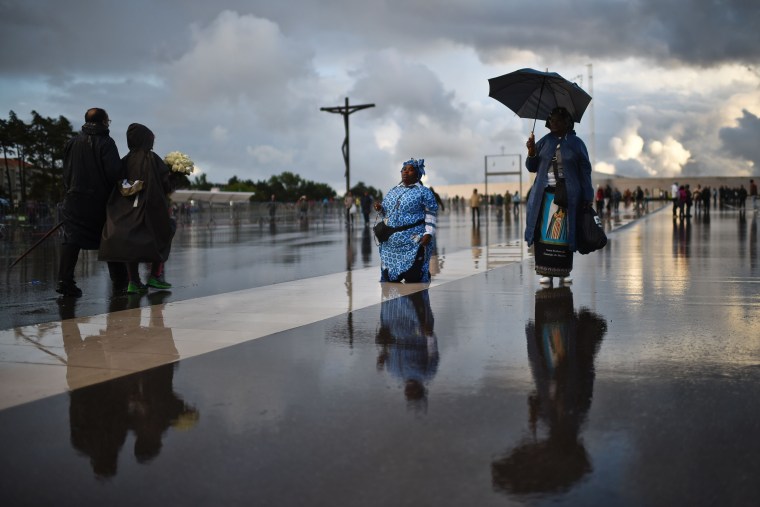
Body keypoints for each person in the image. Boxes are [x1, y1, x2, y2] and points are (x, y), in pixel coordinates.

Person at [57, 107, 126, 297]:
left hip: (73, 199)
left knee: (71, 239)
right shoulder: (106, 142)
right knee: (110, 237)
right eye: (108, 121)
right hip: (98, 201)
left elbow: (66, 172)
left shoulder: (72, 142)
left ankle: (65, 281)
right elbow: (114, 173)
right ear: (104, 122)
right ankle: (120, 282)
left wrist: (69, 191)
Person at [99, 123, 175, 294]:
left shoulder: (124, 160)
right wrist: (175, 177)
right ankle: (155, 276)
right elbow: (165, 184)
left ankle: (134, 281)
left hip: (126, 211)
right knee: (165, 232)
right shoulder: (152, 158)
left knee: (130, 243)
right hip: (149, 210)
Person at [524, 106, 594, 286]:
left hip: (568, 197)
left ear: (566, 122)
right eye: (551, 120)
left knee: (565, 234)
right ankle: (544, 271)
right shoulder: (544, 142)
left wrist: (588, 194)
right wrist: (531, 151)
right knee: (543, 233)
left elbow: (585, 170)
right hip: (544, 197)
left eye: (556, 120)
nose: (552, 123)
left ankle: (564, 272)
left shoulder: (577, 144)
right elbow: (531, 167)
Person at [374, 158, 438, 283]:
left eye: (410, 170)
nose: (405, 172)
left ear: (418, 174)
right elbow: (386, 215)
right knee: (390, 278)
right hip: (391, 243)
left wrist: (428, 233)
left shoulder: (423, 192)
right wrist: (380, 209)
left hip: (412, 240)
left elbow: (430, 214)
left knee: (413, 278)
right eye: (404, 169)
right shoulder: (393, 191)